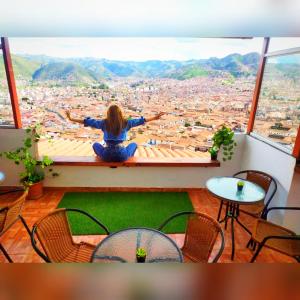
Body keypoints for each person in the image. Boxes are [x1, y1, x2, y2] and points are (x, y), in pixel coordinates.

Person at [65, 104, 164, 162]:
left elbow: (87, 122)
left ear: (108, 113)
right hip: (122, 155)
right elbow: (141, 121)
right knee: (133, 144)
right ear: (120, 113)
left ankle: (102, 157)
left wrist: (71, 118)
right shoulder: (126, 123)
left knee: (95, 144)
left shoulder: (103, 123)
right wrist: (155, 118)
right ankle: (129, 159)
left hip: (106, 155)